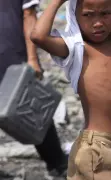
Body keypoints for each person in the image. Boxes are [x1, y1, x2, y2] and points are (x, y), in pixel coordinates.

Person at [30, 0, 111, 179]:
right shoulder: (76, 48)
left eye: (105, 14)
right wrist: (57, 2)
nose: (98, 22)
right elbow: (38, 36)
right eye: (88, 15)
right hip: (97, 149)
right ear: (75, 16)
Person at [0, 0, 67, 177]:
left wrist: (32, 59)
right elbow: (29, 15)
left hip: (10, 55)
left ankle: (58, 164)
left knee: (31, 108)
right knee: (31, 108)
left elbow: (29, 15)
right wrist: (32, 59)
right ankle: (58, 165)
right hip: (11, 54)